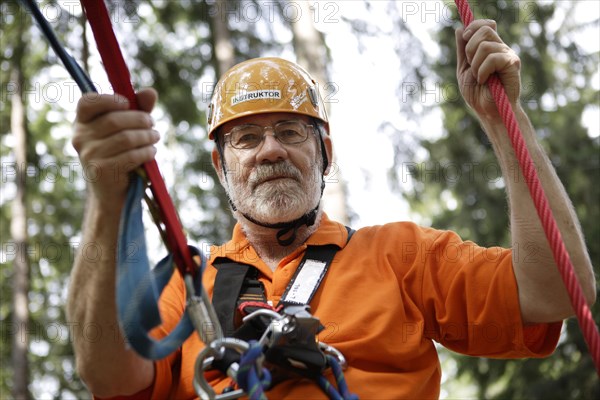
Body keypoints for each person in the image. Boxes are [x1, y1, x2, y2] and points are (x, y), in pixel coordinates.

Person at [67, 19, 595, 399]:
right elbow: (108, 374)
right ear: (220, 166)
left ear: (326, 154)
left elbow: (555, 290)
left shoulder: (401, 256)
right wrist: (107, 196)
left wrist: (506, 125)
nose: (270, 149)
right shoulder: (186, 285)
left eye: (290, 132)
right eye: (246, 138)